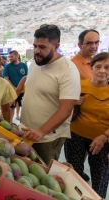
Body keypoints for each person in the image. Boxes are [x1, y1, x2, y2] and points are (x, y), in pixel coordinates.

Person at [21, 24, 81, 165]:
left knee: (43, 176)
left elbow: (66, 110)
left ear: (56, 46)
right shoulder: (36, 63)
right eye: (35, 46)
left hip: (47, 138)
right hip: (26, 133)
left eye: (42, 47)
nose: (36, 51)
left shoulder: (68, 70)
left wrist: (41, 131)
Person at [64, 52, 109, 198]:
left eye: (107, 67)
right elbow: (63, 107)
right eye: (98, 67)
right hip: (75, 136)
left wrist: (104, 137)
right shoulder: (79, 86)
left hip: (102, 141)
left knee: (100, 177)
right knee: (73, 174)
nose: (102, 71)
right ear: (92, 68)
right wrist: (72, 102)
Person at [71, 29, 100, 182]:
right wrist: (71, 99)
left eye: (96, 42)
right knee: (74, 168)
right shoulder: (73, 65)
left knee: (98, 171)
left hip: (97, 127)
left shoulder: (96, 63)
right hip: (77, 125)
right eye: (89, 43)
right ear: (79, 44)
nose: (93, 46)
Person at [3, 50, 28, 122]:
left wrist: (21, 88)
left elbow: (26, 77)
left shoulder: (23, 65)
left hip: (22, 91)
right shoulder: (7, 66)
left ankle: (18, 117)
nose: (10, 58)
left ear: (17, 56)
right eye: (9, 56)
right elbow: (6, 78)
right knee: (11, 107)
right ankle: (10, 122)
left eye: (12, 56)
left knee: (20, 105)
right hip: (11, 91)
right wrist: (15, 88)